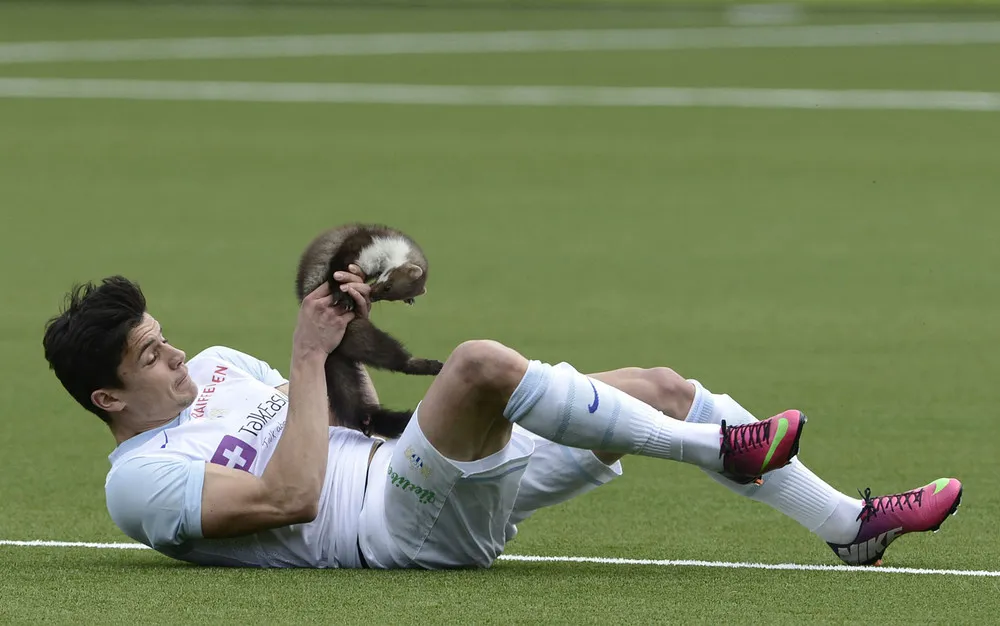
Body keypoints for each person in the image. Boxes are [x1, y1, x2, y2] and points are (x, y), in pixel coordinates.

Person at [41, 270, 962, 570]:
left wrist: (355, 324)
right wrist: (309, 357)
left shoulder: (215, 369)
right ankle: (721, 449)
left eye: (163, 337)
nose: (175, 355)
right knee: (481, 365)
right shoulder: (138, 484)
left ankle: (853, 526)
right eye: (149, 356)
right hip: (396, 529)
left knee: (662, 385)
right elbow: (290, 493)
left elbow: (338, 411)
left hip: (415, 465)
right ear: (107, 400)